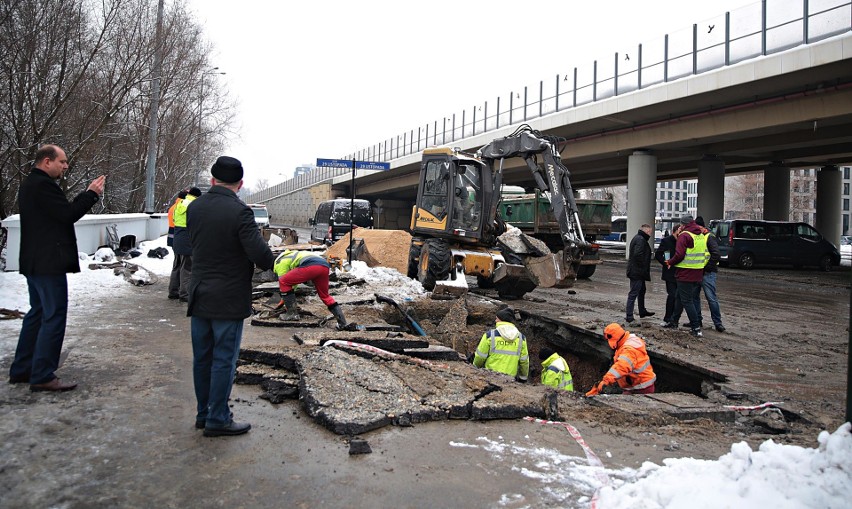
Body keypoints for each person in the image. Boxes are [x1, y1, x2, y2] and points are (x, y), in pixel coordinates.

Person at [186, 156, 274, 437]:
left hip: (199, 294)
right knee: (224, 358)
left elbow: (191, 246)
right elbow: (261, 257)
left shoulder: (195, 207)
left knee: (202, 357)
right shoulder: (240, 212)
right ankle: (218, 418)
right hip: (228, 298)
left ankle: (203, 414)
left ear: (212, 181)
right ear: (240, 184)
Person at [9, 144, 105, 392]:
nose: (65, 166)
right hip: (47, 262)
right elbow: (67, 214)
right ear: (47, 161)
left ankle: (22, 368)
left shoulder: (31, 184)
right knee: (53, 315)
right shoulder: (42, 185)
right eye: (62, 162)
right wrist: (91, 194)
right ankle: (42, 374)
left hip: (34, 260)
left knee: (38, 313)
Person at [273, 249, 352, 329]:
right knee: (325, 296)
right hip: (324, 266)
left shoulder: (278, 263)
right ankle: (342, 323)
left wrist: (285, 298)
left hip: (311, 265)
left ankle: (292, 314)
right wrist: (285, 299)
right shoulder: (291, 255)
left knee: (283, 281)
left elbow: (284, 282)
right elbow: (292, 283)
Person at [665, 215, 710, 337]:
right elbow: (706, 255)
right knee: (679, 297)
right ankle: (674, 321)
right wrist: (700, 267)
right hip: (697, 273)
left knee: (687, 300)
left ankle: (696, 327)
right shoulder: (700, 235)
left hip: (685, 273)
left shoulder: (684, 236)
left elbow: (679, 255)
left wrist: (670, 262)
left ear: (683, 225)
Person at [585, 323, 656, 396]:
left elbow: (621, 367)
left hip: (641, 387)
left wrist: (606, 381)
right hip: (634, 384)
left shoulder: (628, 350)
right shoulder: (626, 342)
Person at [473, 307, 529, 382]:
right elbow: (524, 361)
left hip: (490, 376)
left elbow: (480, 356)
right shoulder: (521, 338)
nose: (495, 320)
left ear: (501, 320)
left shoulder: (490, 335)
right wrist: (523, 377)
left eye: (496, 318)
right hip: (510, 378)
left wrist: (475, 368)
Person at [693, 216, 726, 332]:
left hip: (707, 273)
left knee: (711, 298)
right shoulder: (701, 237)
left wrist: (706, 268)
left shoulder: (708, 237)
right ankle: (698, 320)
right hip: (699, 272)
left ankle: (717, 322)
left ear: (701, 227)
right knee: (695, 297)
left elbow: (716, 254)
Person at [172, 187, 202, 302]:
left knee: (177, 266)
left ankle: (173, 291)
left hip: (178, 237)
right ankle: (184, 294)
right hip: (188, 239)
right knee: (187, 268)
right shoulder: (194, 205)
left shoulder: (179, 204)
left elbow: (174, 220)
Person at [625, 223, 654, 322]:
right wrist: (642, 266)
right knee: (633, 293)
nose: (650, 234)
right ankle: (629, 316)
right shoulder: (641, 240)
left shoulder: (638, 238)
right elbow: (638, 255)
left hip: (636, 271)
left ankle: (642, 310)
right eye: (650, 232)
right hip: (637, 272)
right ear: (646, 231)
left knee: (641, 291)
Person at [655, 229, 679, 327]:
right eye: (678, 233)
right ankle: (668, 318)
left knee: (678, 297)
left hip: (680, 273)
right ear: (674, 232)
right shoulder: (666, 241)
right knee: (672, 295)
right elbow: (658, 254)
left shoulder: (683, 240)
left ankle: (674, 319)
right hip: (669, 273)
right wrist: (666, 263)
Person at [167, 190, 187, 300]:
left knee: (176, 265)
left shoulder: (173, 207)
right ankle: (179, 291)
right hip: (180, 237)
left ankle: (173, 290)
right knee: (183, 266)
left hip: (174, 237)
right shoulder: (181, 207)